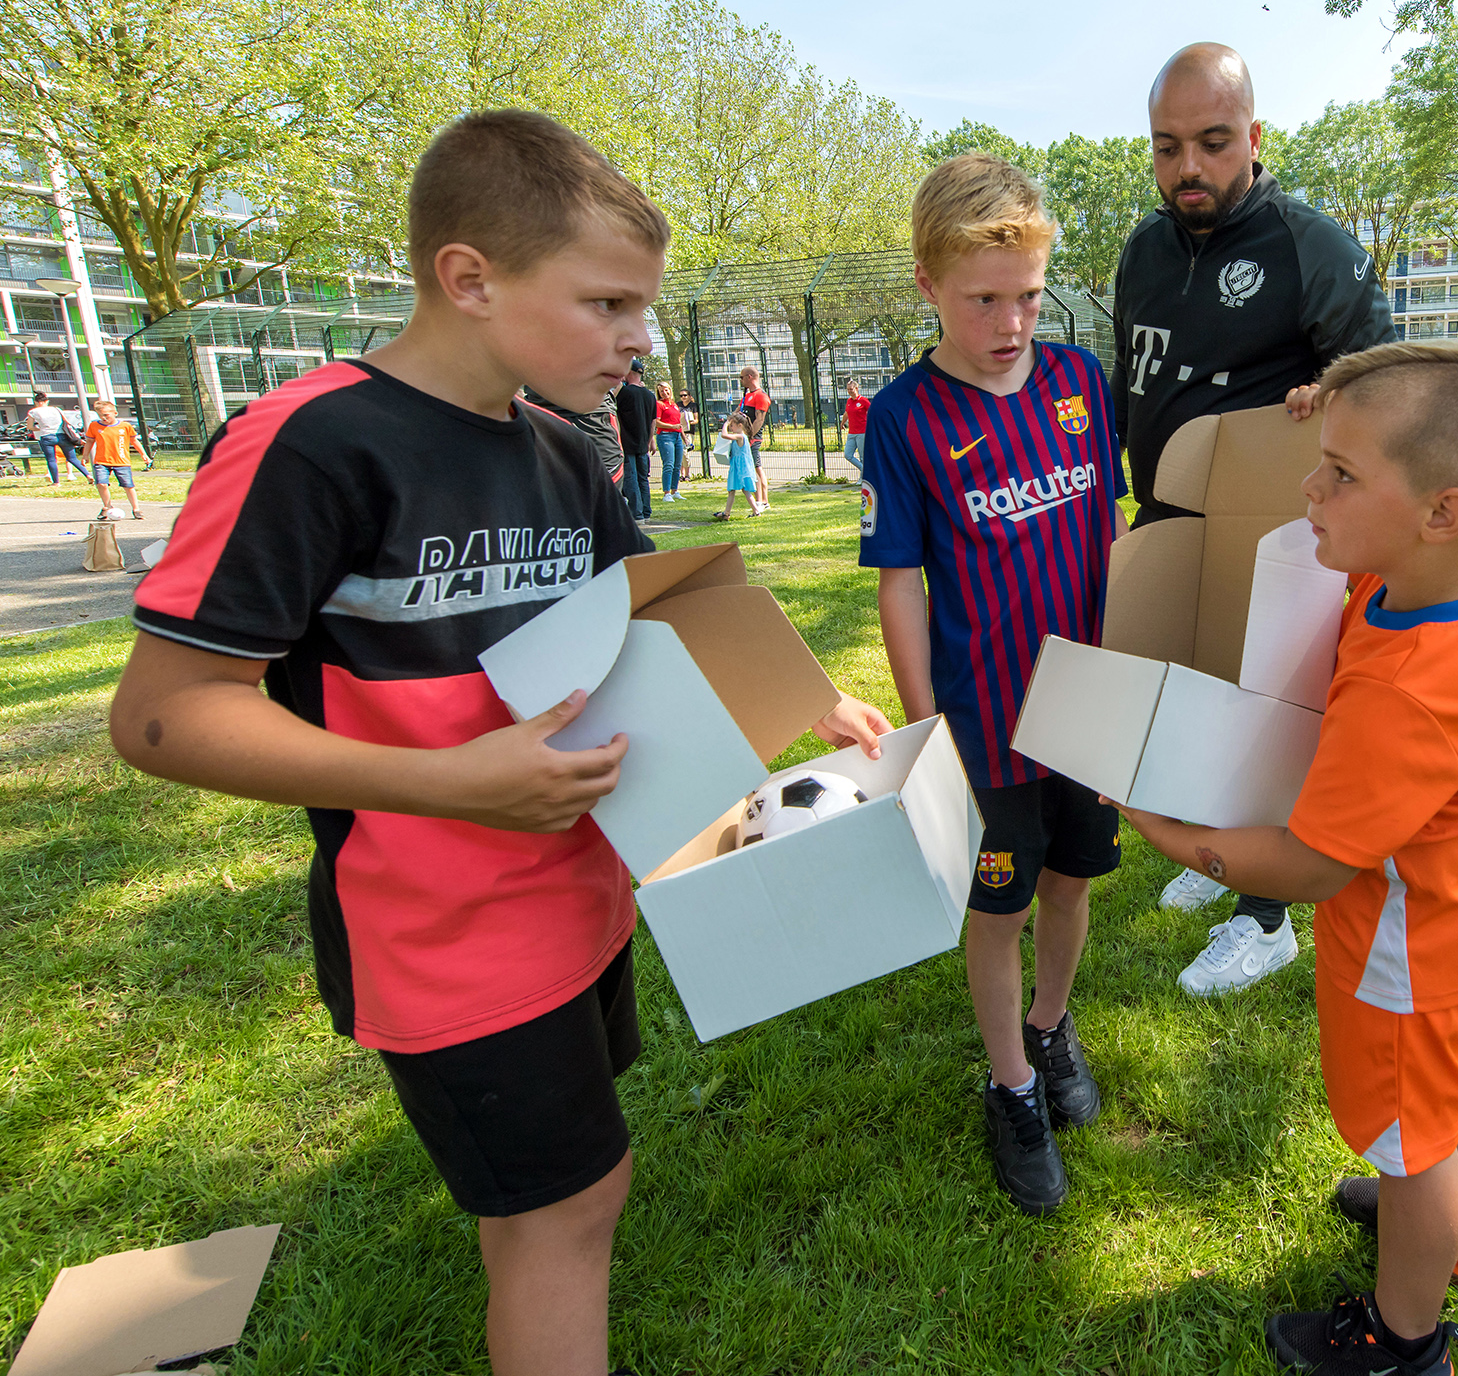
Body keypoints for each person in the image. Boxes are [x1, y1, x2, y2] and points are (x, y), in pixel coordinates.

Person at [107, 109, 888, 1376]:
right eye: (606, 304)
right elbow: (160, 713)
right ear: (466, 278)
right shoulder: (313, 442)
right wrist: (448, 784)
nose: (640, 341)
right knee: (566, 1212)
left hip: (580, 895)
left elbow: (662, 604)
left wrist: (807, 697)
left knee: (555, 1197)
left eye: (644, 307)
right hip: (437, 932)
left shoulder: (560, 447)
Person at [1114, 340, 1458, 1376]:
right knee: (1432, 1094)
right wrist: (1335, 416)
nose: (1308, 487)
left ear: (1439, 510)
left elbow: (1304, 866)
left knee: (1409, 1130)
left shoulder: (1410, 694)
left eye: (1340, 475)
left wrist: (1169, 831)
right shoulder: (1438, 572)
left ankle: (1401, 1339)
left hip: (1405, 937)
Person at [860, 152, 1124, 1216]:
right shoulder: (903, 417)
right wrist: (928, 737)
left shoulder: (1078, 385)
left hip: (1092, 707)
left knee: (1072, 881)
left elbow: (1111, 537)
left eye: (1025, 296)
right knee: (1000, 905)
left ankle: (1050, 1029)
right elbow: (900, 586)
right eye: (982, 300)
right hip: (990, 728)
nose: (1010, 321)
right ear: (926, 283)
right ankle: (1008, 1083)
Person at [1112, 42, 1395, 997]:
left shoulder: (1307, 243)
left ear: (1254, 137)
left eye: (1213, 142)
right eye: (1167, 146)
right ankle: (1215, 850)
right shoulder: (1142, 251)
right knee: (1198, 694)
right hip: (1167, 512)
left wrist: (1335, 394)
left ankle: (1265, 919)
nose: (1188, 168)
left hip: (1281, 530)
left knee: (1273, 712)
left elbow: (1385, 378)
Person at [84, 398, 152, 520]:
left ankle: (136, 509)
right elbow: (89, 441)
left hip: (121, 461)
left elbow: (134, 440)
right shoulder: (94, 426)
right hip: (101, 461)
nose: (104, 418)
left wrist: (143, 454)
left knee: (128, 485)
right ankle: (107, 506)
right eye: (100, 416)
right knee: (101, 483)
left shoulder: (125, 426)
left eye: (106, 415)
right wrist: (85, 456)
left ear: (115, 413)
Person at [613, 358, 656, 521]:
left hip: (627, 442)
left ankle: (636, 513)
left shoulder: (625, 393)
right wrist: (650, 439)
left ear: (629, 372)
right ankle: (646, 511)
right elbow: (653, 420)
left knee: (630, 478)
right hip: (642, 442)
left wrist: (618, 385)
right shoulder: (649, 395)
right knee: (643, 478)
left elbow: (612, 406)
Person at [27, 390, 89, 485]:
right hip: (62, 435)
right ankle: (88, 475)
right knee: (72, 458)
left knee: (51, 460)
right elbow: (66, 421)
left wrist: (39, 428)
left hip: (46, 436)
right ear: (47, 401)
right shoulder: (56, 409)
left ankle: (56, 482)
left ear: (36, 402)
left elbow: (30, 427)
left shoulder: (33, 412)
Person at [711, 410, 760, 520]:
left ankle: (755, 511)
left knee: (744, 490)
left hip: (742, 467)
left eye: (732, 426)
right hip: (737, 466)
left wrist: (725, 424)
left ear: (740, 425)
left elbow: (724, 435)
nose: (730, 428)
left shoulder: (740, 436)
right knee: (733, 490)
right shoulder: (739, 436)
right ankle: (727, 513)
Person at [737, 365, 771, 508]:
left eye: (742, 377)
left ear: (749, 377)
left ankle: (763, 501)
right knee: (752, 467)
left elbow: (759, 419)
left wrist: (749, 437)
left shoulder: (761, 396)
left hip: (753, 439)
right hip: (745, 438)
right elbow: (737, 412)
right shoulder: (747, 396)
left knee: (757, 468)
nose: (741, 380)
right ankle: (759, 500)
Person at [653, 380, 685, 501]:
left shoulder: (674, 404)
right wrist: (671, 427)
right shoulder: (659, 404)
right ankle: (666, 493)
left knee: (677, 465)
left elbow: (678, 423)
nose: (664, 393)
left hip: (677, 436)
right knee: (669, 464)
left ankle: (674, 490)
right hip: (665, 435)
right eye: (661, 391)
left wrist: (684, 437)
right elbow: (657, 421)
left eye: (666, 390)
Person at [841, 377, 870, 473]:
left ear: (856, 389)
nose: (849, 391)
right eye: (848, 389)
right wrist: (842, 423)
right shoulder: (849, 401)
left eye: (851, 389)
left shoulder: (863, 401)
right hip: (851, 432)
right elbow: (846, 413)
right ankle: (864, 470)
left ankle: (863, 478)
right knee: (847, 455)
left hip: (862, 432)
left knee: (862, 456)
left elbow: (872, 412)